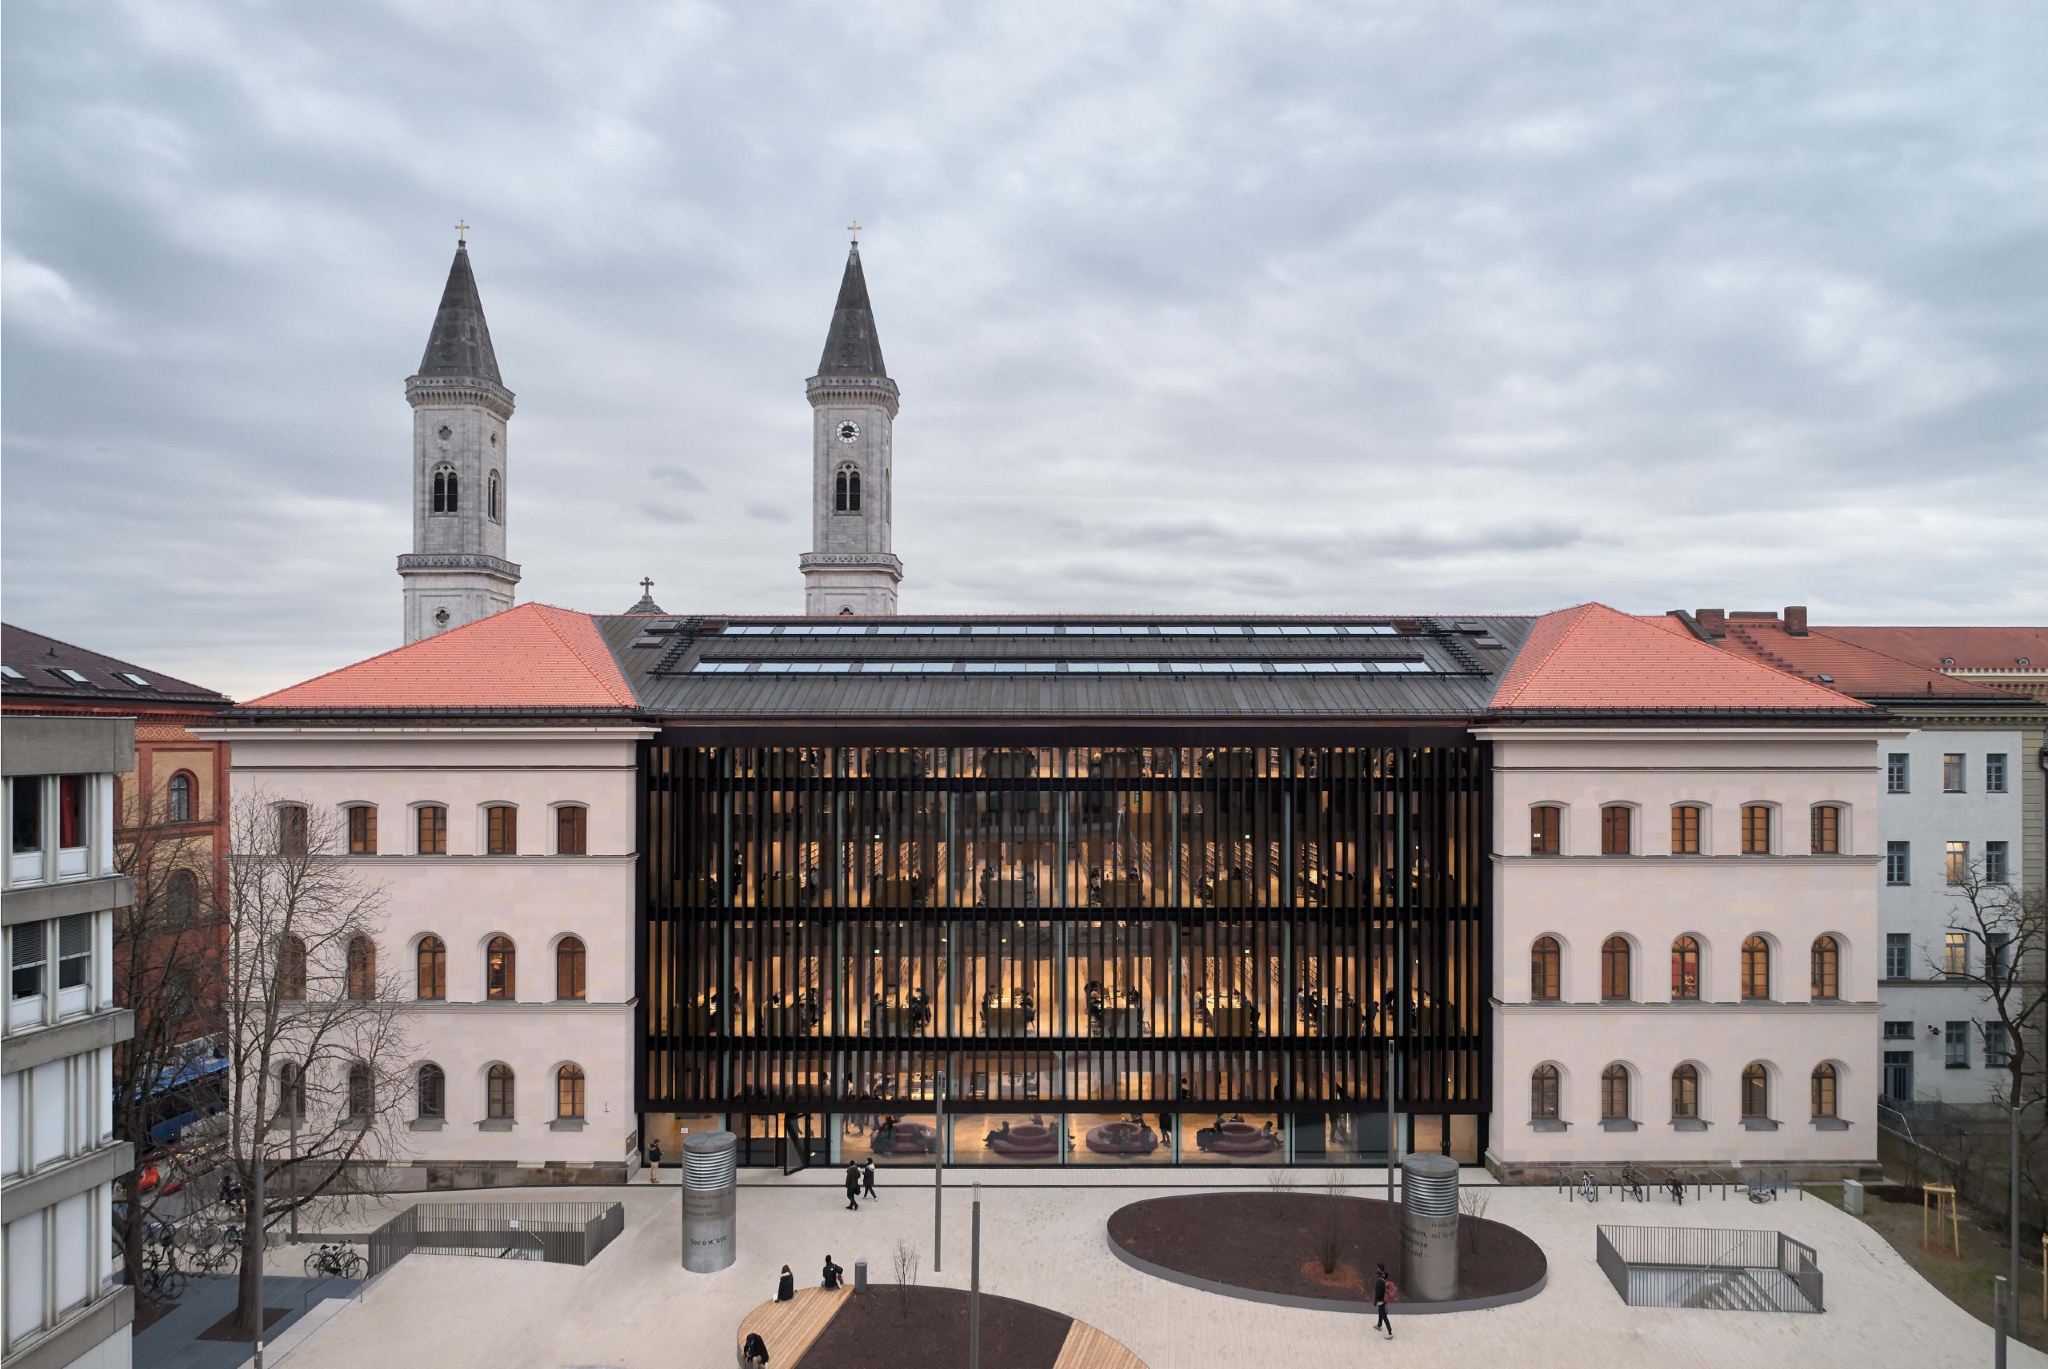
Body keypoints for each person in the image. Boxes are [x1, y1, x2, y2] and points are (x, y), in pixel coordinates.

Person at [1373, 1263, 1394, 1339]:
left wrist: (1376, 1301)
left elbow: (1378, 1292)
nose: (1376, 1270)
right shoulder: (1383, 1277)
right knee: (1380, 1312)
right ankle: (1379, 1325)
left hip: (1381, 1300)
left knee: (1384, 1316)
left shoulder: (1380, 1281)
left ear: (1380, 1269)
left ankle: (1390, 1332)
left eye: (1377, 1268)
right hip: (1383, 1300)